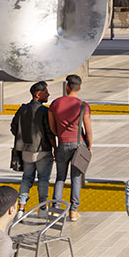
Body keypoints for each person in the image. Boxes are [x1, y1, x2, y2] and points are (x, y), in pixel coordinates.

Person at [49, 75, 93, 220]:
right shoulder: (83, 106)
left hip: (62, 144)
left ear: (67, 87)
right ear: (79, 88)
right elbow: (88, 130)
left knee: (60, 178)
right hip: (78, 145)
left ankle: (55, 210)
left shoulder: (55, 104)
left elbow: (52, 127)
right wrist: (90, 146)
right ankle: (73, 211)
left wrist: (61, 136)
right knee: (76, 178)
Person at [11, 80, 57, 211]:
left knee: (26, 178)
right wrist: (55, 148)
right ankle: (42, 207)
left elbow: (13, 128)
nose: (48, 94)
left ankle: (21, 207)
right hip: (42, 150)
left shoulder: (22, 109)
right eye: (45, 92)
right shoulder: (44, 111)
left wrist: (24, 137)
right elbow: (50, 132)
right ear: (37, 94)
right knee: (43, 179)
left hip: (25, 151)